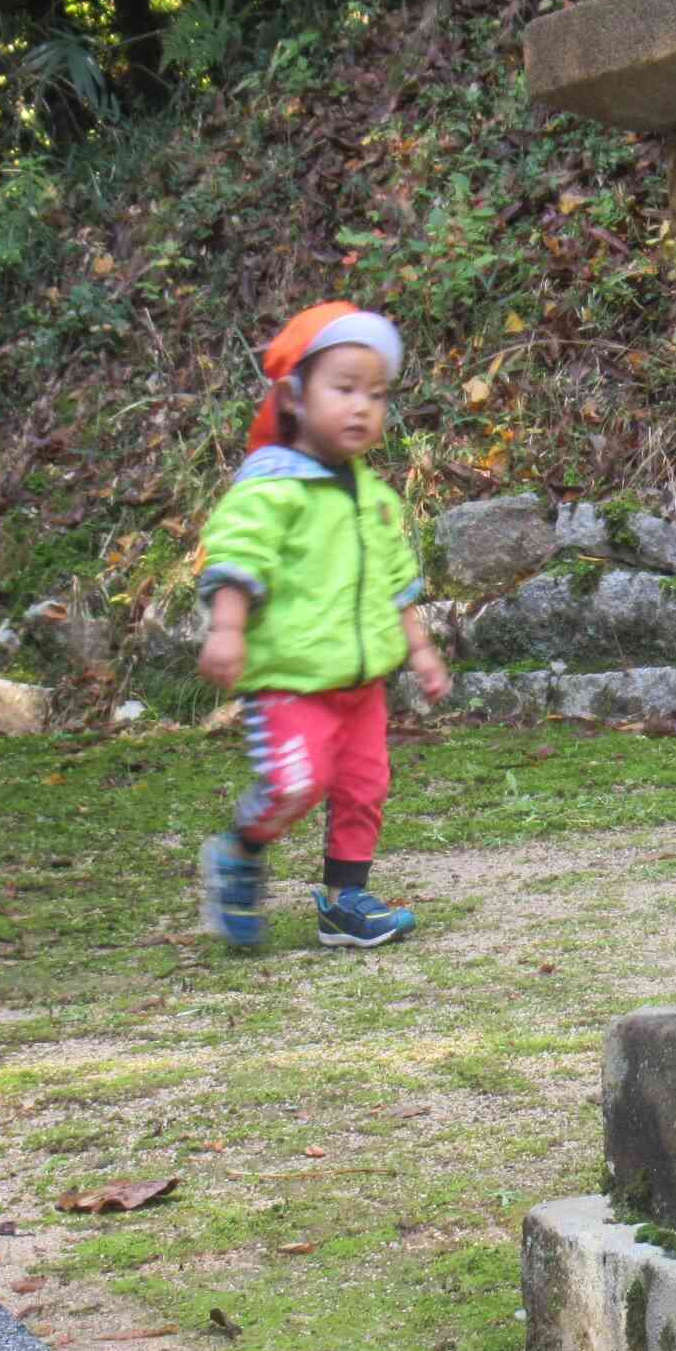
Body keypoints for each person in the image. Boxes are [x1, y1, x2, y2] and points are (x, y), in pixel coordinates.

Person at [193, 300, 449, 949]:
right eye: (344, 388)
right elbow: (237, 559)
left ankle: (346, 901)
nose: (362, 406)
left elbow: (398, 583)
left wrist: (420, 651)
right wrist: (226, 630)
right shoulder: (270, 489)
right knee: (295, 784)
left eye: (377, 394)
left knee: (365, 788)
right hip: (290, 681)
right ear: (296, 397)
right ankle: (240, 851)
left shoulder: (376, 497)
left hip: (362, 686)